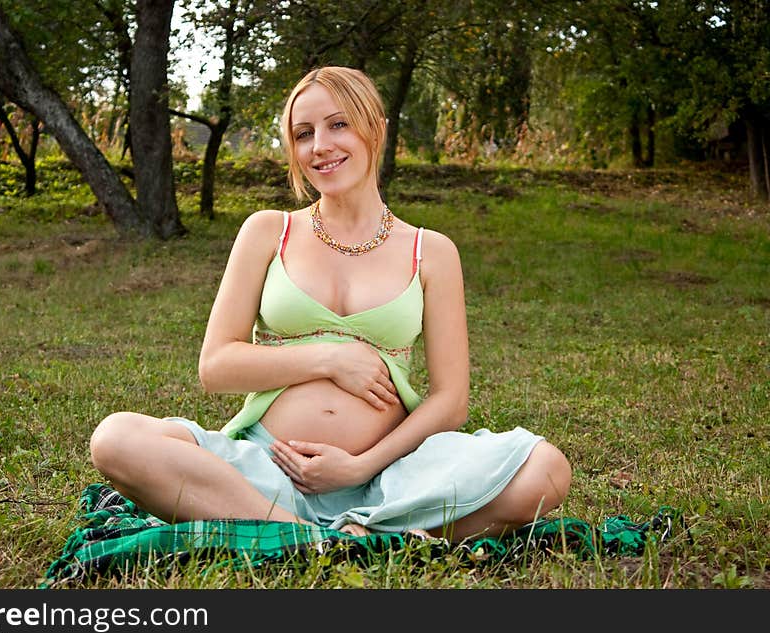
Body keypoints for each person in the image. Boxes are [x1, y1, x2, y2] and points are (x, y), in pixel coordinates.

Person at [89, 66, 571, 543]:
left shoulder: (433, 251)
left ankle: (362, 526)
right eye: (303, 133)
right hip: (268, 469)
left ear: (376, 129)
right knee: (115, 439)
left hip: (394, 473)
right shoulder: (268, 231)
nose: (319, 145)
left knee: (546, 469)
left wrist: (359, 465)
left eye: (338, 124)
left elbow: (451, 400)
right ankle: (311, 534)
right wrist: (330, 358)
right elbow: (216, 366)